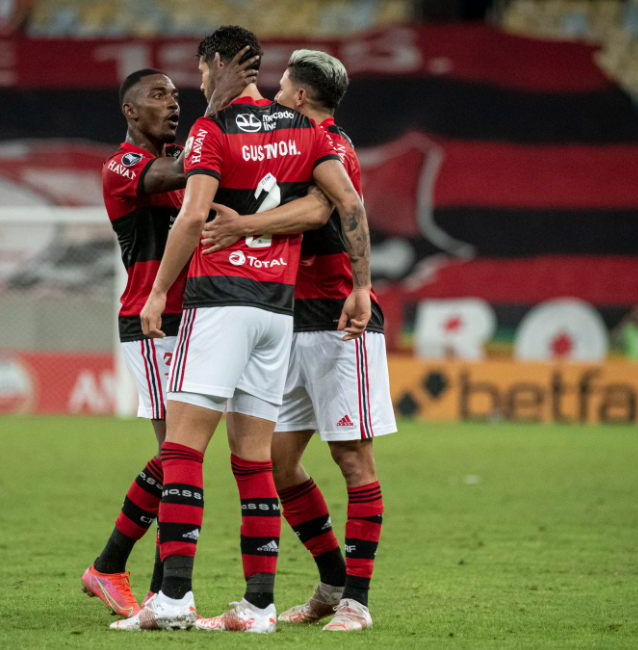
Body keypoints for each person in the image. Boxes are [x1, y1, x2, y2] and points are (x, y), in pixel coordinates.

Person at [112, 25, 372, 634]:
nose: (195, 85)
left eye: (201, 71)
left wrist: (154, 294)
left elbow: (194, 216)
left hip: (220, 303)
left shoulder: (211, 130)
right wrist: (362, 284)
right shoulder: (307, 131)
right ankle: (258, 608)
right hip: (276, 313)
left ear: (218, 65)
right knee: (253, 463)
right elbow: (348, 206)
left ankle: (173, 597)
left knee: (180, 449)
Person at [200, 49, 395, 632]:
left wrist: (361, 287)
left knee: (352, 458)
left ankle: (357, 602)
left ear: (301, 97)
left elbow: (324, 209)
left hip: (340, 320)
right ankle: (332, 581)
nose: (272, 97)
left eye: (280, 87)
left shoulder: (329, 143)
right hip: (288, 318)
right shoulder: (282, 146)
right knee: (278, 463)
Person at [81, 57, 261, 618]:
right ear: (131, 111)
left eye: (177, 95)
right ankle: (116, 571)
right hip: (151, 321)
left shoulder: (181, 167)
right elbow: (181, 170)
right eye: (160, 95)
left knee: (181, 455)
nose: (174, 102)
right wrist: (216, 110)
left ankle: (139, 582)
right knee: (177, 454)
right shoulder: (122, 166)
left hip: (199, 320)